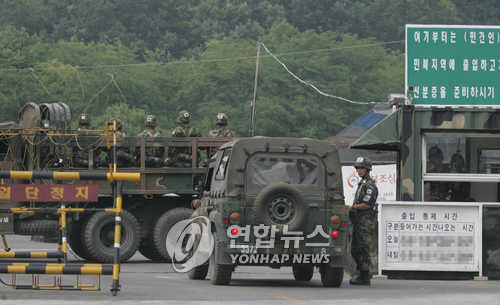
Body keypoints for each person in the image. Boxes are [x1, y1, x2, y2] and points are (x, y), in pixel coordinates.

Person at [349, 156, 378, 286]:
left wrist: (353, 207)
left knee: (363, 249)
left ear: (367, 169)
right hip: (358, 221)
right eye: (357, 168)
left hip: (365, 223)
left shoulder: (370, 186)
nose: (358, 171)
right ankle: (361, 271)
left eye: (361, 168)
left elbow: (366, 204)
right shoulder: (362, 184)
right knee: (354, 249)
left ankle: (365, 276)